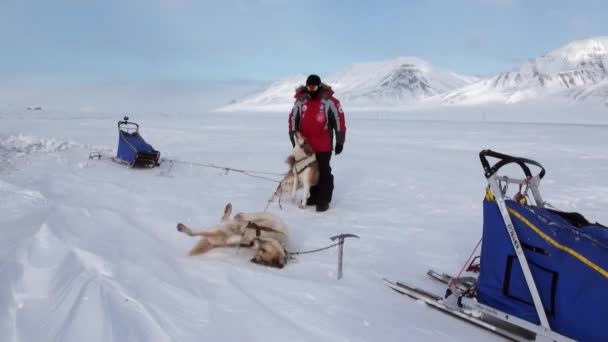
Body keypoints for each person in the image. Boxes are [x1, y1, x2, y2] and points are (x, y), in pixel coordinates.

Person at [288, 74, 346, 212]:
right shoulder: (300, 102)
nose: (311, 89)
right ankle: (313, 197)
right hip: (306, 147)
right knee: (310, 172)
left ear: (319, 86)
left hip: (323, 145)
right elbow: (292, 120)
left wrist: (340, 141)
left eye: (314, 86)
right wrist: (293, 137)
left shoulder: (329, 101)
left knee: (324, 171)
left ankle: (324, 200)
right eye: (309, 86)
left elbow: (339, 120)